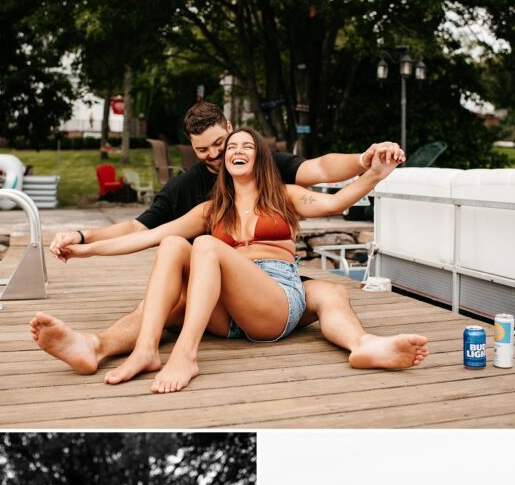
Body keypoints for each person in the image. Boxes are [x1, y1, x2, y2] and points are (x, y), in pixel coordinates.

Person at [32, 101, 424, 377]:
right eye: (207, 149)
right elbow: (146, 233)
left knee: (325, 290)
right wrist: (86, 246)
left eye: (232, 145)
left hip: (272, 291)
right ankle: (102, 347)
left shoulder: (280, 189)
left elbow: (329, 184)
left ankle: (363, 345)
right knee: (174, 250)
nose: (220, 154)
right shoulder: (204, 204)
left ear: (250, 148)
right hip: (221, 303)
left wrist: (369, 168)